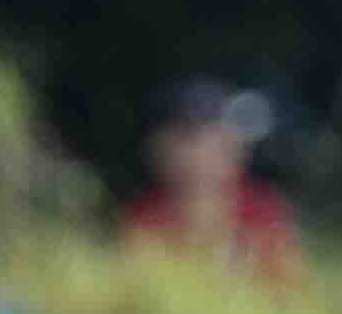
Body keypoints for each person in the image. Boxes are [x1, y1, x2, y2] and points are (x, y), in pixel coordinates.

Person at [123, 77, 304, 285]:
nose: (199, 156)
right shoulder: (144, 217)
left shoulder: (266, 213)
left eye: (215, 141)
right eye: (186, 139)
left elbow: (289, 292)